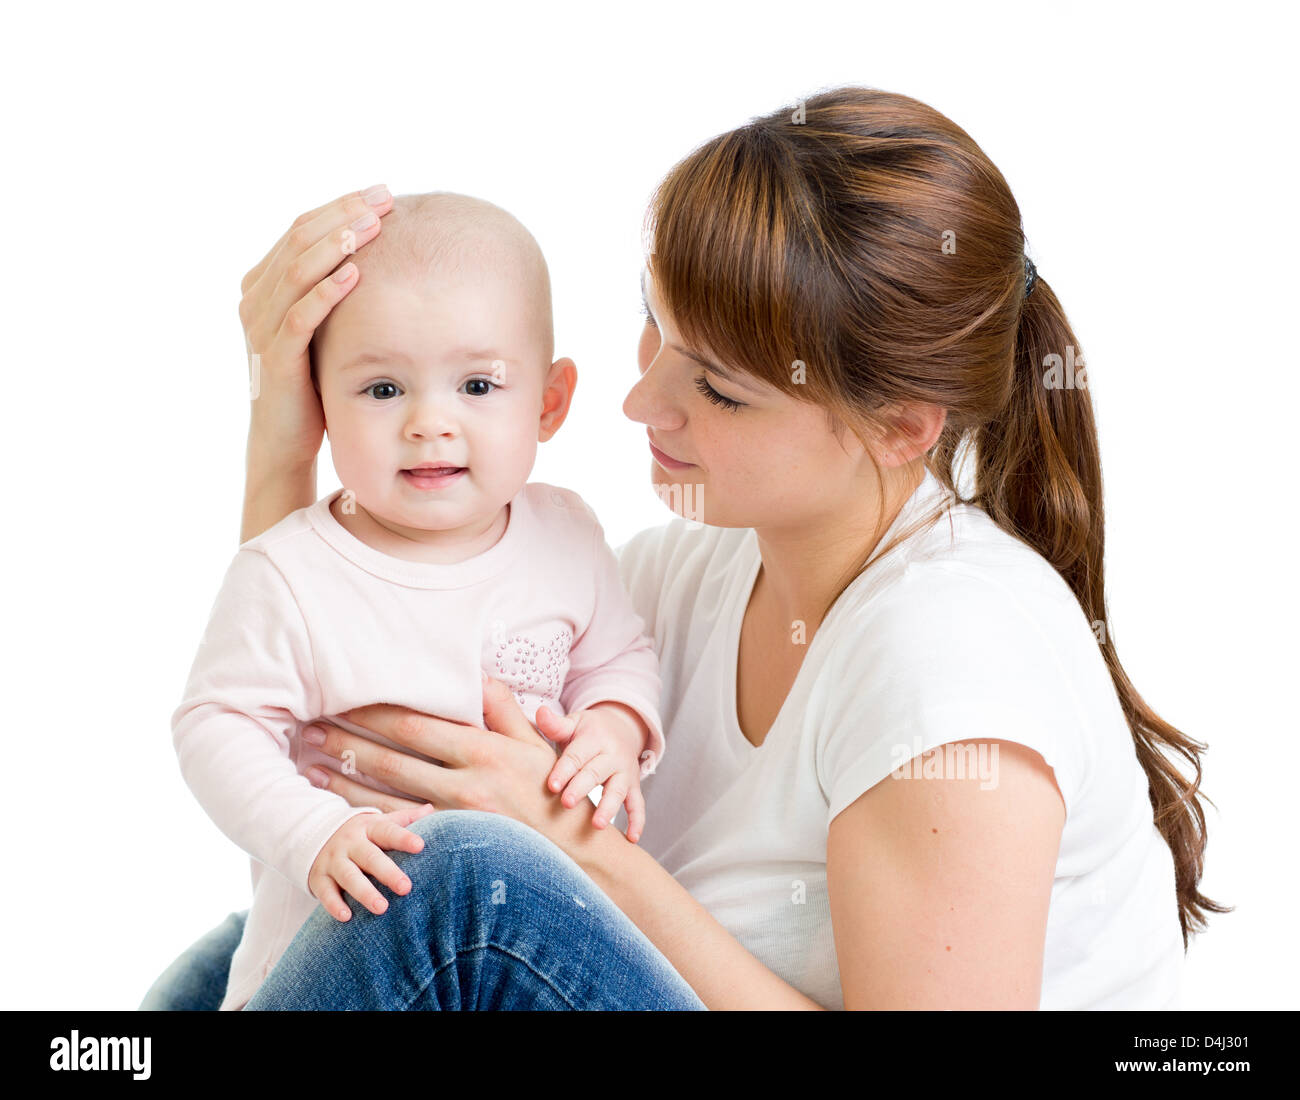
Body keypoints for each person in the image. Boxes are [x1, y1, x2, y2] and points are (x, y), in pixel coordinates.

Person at [141, 85, 1226, 1012]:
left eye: (717, 387)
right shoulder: (681, 575)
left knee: (461, 886)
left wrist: (572, 843)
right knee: (262, 939)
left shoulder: (948, 660)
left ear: (900, 426)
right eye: (654, 326)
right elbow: (320, 684)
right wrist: (285, 434)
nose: (639, 400)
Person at [170, 192, 665, 1011]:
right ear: (318, 403)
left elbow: (618, 659)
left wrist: (615, 725)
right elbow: (215, 726)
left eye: (477, 384)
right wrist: (314, 831)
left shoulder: (568, 534)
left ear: (549, 402)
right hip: (344, 966)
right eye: (382, 389)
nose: (430, 423)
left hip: (518, 965)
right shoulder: (291, 570)